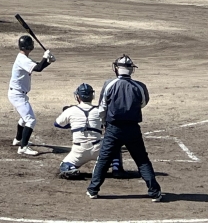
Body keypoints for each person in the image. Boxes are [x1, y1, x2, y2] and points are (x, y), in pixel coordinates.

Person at [86, 55, 163, 202]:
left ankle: (93, 189)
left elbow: (102, 107)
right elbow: (143, 103)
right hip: (133, 128)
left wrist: (104, 122)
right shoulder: (140, 86)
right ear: (131, 70)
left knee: (103, 160)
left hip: (113, 128)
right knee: (142, 160)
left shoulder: (109, 84)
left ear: (116, 68)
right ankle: (154, 191)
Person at [8, 35, 56, 156]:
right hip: (17, 95)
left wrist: (48, 61)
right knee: (30, 120)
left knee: (25, 118)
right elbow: (39, 68)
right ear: (30, 46)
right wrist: (45, 58)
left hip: (17, 93)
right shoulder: (22, 59)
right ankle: (23, 147)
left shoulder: (23, 58)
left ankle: (18, 140)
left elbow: (37, 66)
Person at [54, 83, 104, 178]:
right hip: (98, 148)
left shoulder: (70, 110)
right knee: (114, 146)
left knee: (64, 166)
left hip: (79, 150)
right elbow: (107, 125)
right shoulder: (99, 110)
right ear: (92, 96)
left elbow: (57, 124)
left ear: (78, 96)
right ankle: (115, 168)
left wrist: (74, 125)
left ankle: (70, 169)